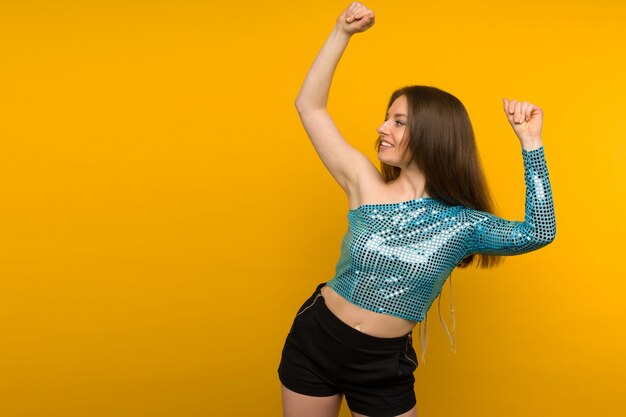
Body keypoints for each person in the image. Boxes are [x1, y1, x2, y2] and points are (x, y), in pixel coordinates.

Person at [277, 3, 556, 417]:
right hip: (315, 340)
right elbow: (310, 107)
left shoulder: (463, 223)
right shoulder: (364, 183)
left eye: (399, 122)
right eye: (386, 118)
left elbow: (539, 232)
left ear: (432, 134)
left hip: (381, 365)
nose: (382, 129)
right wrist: (342, 33)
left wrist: (531, 144)